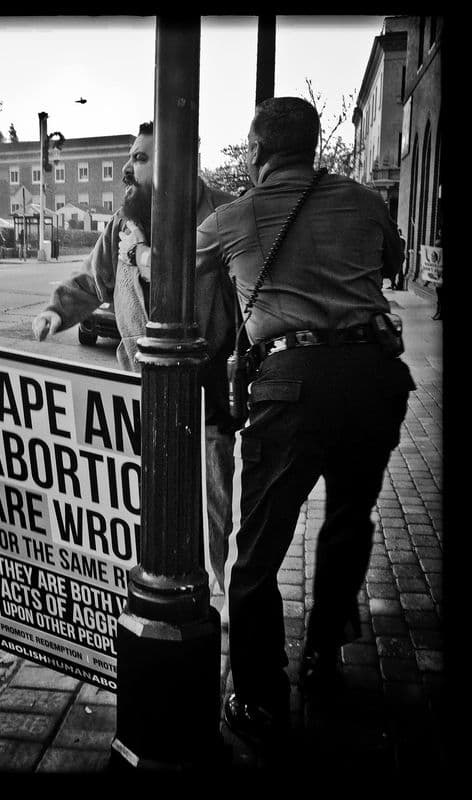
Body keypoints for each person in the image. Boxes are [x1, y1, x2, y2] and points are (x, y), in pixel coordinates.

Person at [197, 97, 415, 745]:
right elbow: (393, 261)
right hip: (375, 376)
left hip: (292, 385)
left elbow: (172, 276)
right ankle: (324, 655)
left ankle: (260, 694)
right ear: (315, 146)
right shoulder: (367, 203)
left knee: (260, 544)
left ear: (258, 151)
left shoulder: (236, 217)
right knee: (349, 520)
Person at [32, 121, 239, 599]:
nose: (129, 167)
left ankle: (218, 589)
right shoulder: (125, 221)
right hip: (139, 390)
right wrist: (55, 310)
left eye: (142, 158)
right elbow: (93, 280)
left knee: (212, 499)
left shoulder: (223, 214)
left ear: (180, 160)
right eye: (131, 157)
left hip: (206, 390)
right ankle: (147, 579)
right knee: (144, 495)